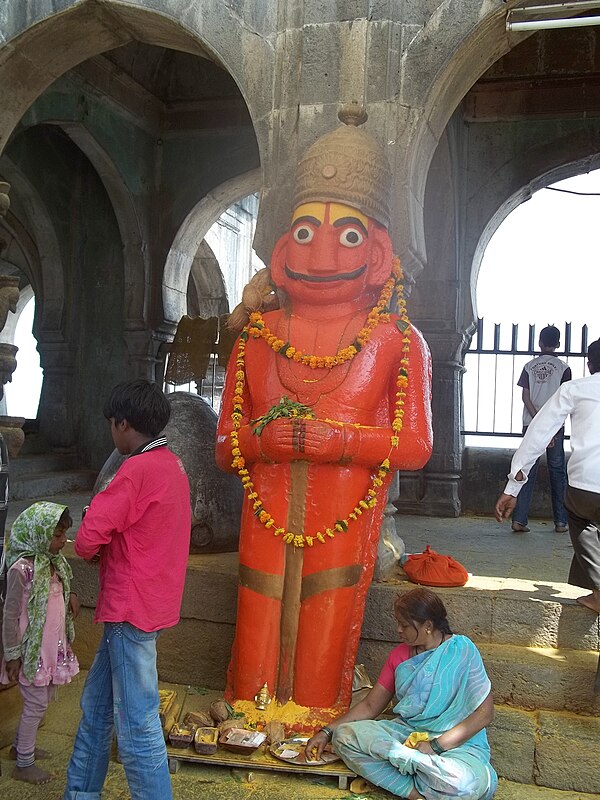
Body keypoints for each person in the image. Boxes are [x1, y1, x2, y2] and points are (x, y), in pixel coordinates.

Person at [216, 106, 433, 713]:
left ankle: (311, 717)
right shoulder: (259, 334)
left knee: (328, 604)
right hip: (265, 508)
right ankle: (250, 713)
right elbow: (224, 443)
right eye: (307, 233)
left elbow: (415, 446)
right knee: (257, 600)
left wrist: (332, 443)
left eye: (351, 235)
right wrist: (267, 444)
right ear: (283, 245)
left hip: (344, 512)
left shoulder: (397, 338)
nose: (324, 254)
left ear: (382, 249)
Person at [63, 379, 191, 800]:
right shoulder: (171, 464)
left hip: (128, 607)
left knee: (136, 725)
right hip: (150, 601)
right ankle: (80, 792)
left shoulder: (134, 469)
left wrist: (95, 529)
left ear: (122, 424)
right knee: (96, 710)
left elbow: (86, 540)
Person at [305, 588, 497, 800]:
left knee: (465, 784)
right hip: (407, 739)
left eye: (404, 625)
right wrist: (328, 732)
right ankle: (415, 792)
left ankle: (414, 774)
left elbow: (485, 713)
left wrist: (435, 746)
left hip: (455, 746)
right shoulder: (399, 656)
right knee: (345, 737)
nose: (398, 630)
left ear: (428, 626)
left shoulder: (462, 650)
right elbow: (370, 706)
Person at [495, 339, 600, 613]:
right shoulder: (563, 370)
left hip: (585, 489)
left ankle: (599, 590)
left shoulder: (576, 388)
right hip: (585, 488)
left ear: (590, 364)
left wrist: (513, 486)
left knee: (582, 518)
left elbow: (538, 433)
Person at [1, 502, 79, 785]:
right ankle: (24, 762)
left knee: (41, 700)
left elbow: (58, 591)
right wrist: (11, 654)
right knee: (36, 704)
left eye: (64, 535)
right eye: (57, 535)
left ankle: (21, 746)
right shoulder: (22, 570)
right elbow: (10, 615)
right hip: (29, 655)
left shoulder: (54, 564)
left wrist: (70, 596)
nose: (63, 541)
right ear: (38, 533)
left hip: (49, 654)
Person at [511, 325, 571, 533]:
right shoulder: (564, 368)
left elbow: (525, 397)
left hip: (530, 424)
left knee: (526, 470)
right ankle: (561, 522)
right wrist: (550, 428)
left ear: (540, 342)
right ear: (558, 344)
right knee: (557, 471)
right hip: (555, 426)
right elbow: (563, 401)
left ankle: (519, 520)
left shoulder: (529, 366)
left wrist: (538, 424)